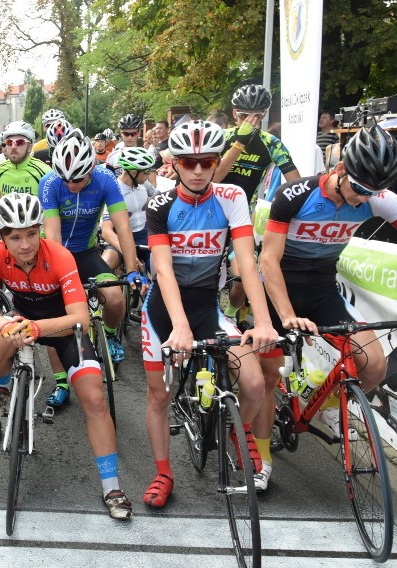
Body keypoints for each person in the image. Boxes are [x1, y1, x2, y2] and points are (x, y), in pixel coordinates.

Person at [141, 120, 278, 509]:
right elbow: (163, 270)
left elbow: (247, 264)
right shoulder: (161, 203)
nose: (198, 170)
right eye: (188, 162)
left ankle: (238, 433)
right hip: (164, 309)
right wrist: (180, 328)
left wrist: (264, 321)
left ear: (218, 161)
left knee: (253, 384)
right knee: (158, 395)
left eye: (207, 161)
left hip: (205, 304)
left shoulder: (231, 196)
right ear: (176, 164)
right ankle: (163, 472)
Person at [0, 192, 133, 520]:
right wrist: (6, 325)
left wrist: (37, 328)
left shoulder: (59, 255)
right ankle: (3, 386)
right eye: (15, 237)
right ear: (2, 237)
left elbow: (80, 319)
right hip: (19, 318)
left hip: (60, 326)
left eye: (32, 234)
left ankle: (112, 486)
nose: (25, 244)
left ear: (40, 230)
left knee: (94, 397)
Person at [256, 125, 397, 492]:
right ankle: (261, 457)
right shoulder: (296, 195)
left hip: (320, 288)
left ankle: (330, 402)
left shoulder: (374, 198)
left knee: (374, 363)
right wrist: (286, 316)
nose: (362, 199)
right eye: (359, 189)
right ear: (341, 170)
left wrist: (372, 196)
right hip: (279, 286)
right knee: (267, 376)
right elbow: (268, 260)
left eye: (371, 192)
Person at [39, 130, 142, 407]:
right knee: (56, 316)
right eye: (66, 179)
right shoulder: (50, 183)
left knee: (115, 297)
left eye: (79, 179)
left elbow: (122, 228)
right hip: (57, 254)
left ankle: (109, 337)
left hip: (86, 253)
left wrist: (131, 270)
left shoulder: (106, 180)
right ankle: (62, 382)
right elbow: (53, 236)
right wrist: (59, 279)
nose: (71, 184)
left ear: (92, 169)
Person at [214, 84, 300, 207]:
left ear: (263, 115)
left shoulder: (272, 144)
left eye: (256, 116)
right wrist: (240, 142)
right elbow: (214, 179)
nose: (250, 121)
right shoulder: (221, 137)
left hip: (243, 215)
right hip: (211, 211)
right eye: (244, 116)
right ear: (234, 114)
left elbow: (297, 185)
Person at [0, 121, 50, 203]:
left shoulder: (45, 172)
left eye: (20, 142)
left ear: (30, 147)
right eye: (9, 142)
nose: (13, 147)